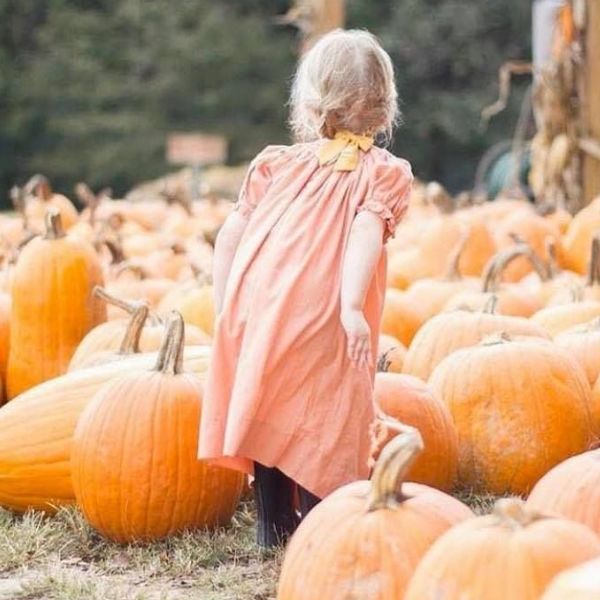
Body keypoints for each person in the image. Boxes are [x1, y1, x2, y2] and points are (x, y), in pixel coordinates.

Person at [198, 29, 413, 548]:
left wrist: (227, 305)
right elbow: (365, 231)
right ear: (385, 111)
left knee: (267, 404)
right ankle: (323, 522)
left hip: (261, 307)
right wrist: (350, 307)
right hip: (324, 310)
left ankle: (272, 526)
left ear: (310, 103)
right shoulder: (383, 173)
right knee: (329, 414)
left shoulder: (275, 163)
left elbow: (233, 233)